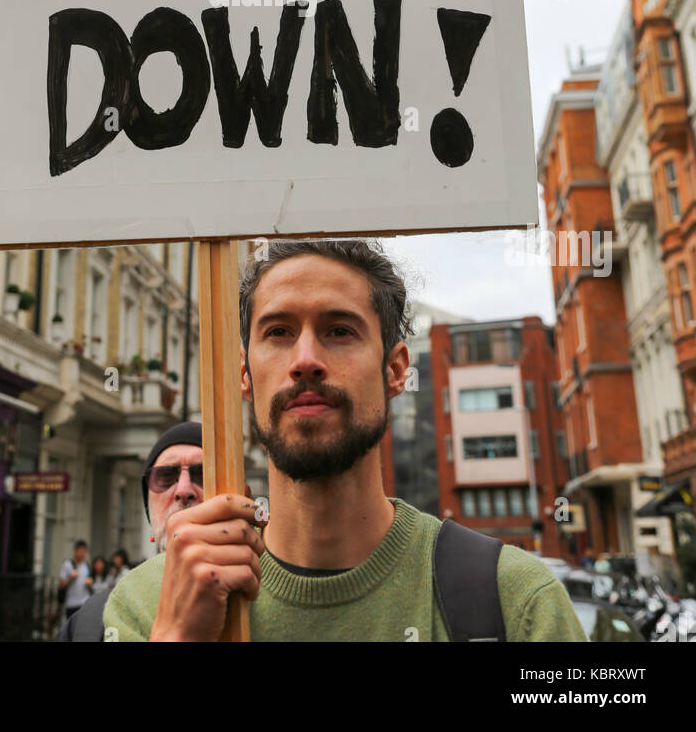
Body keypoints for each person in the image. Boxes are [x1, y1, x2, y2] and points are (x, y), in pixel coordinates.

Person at [103, 239, 588, 642]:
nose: (306, 359)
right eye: (278, 332)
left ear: (396, 370)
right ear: (244, 377)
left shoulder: (518, 604)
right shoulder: (148, 605)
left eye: (339, 330)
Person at [55, 423, 203, 641]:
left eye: (202, 473)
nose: (183, 490)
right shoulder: (92, 620)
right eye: (165, 476)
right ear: (149, 506)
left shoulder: (266, 600)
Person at [58, 540, 90, 622]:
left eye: (84, 551)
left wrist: (90, 582)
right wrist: (70, 578)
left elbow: (89, 579)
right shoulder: (67, 564)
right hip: (71, 603)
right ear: (75, 551)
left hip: (84, 603)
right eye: (80, 550)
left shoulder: (86, 565)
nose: (82, 553)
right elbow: (61, 585)